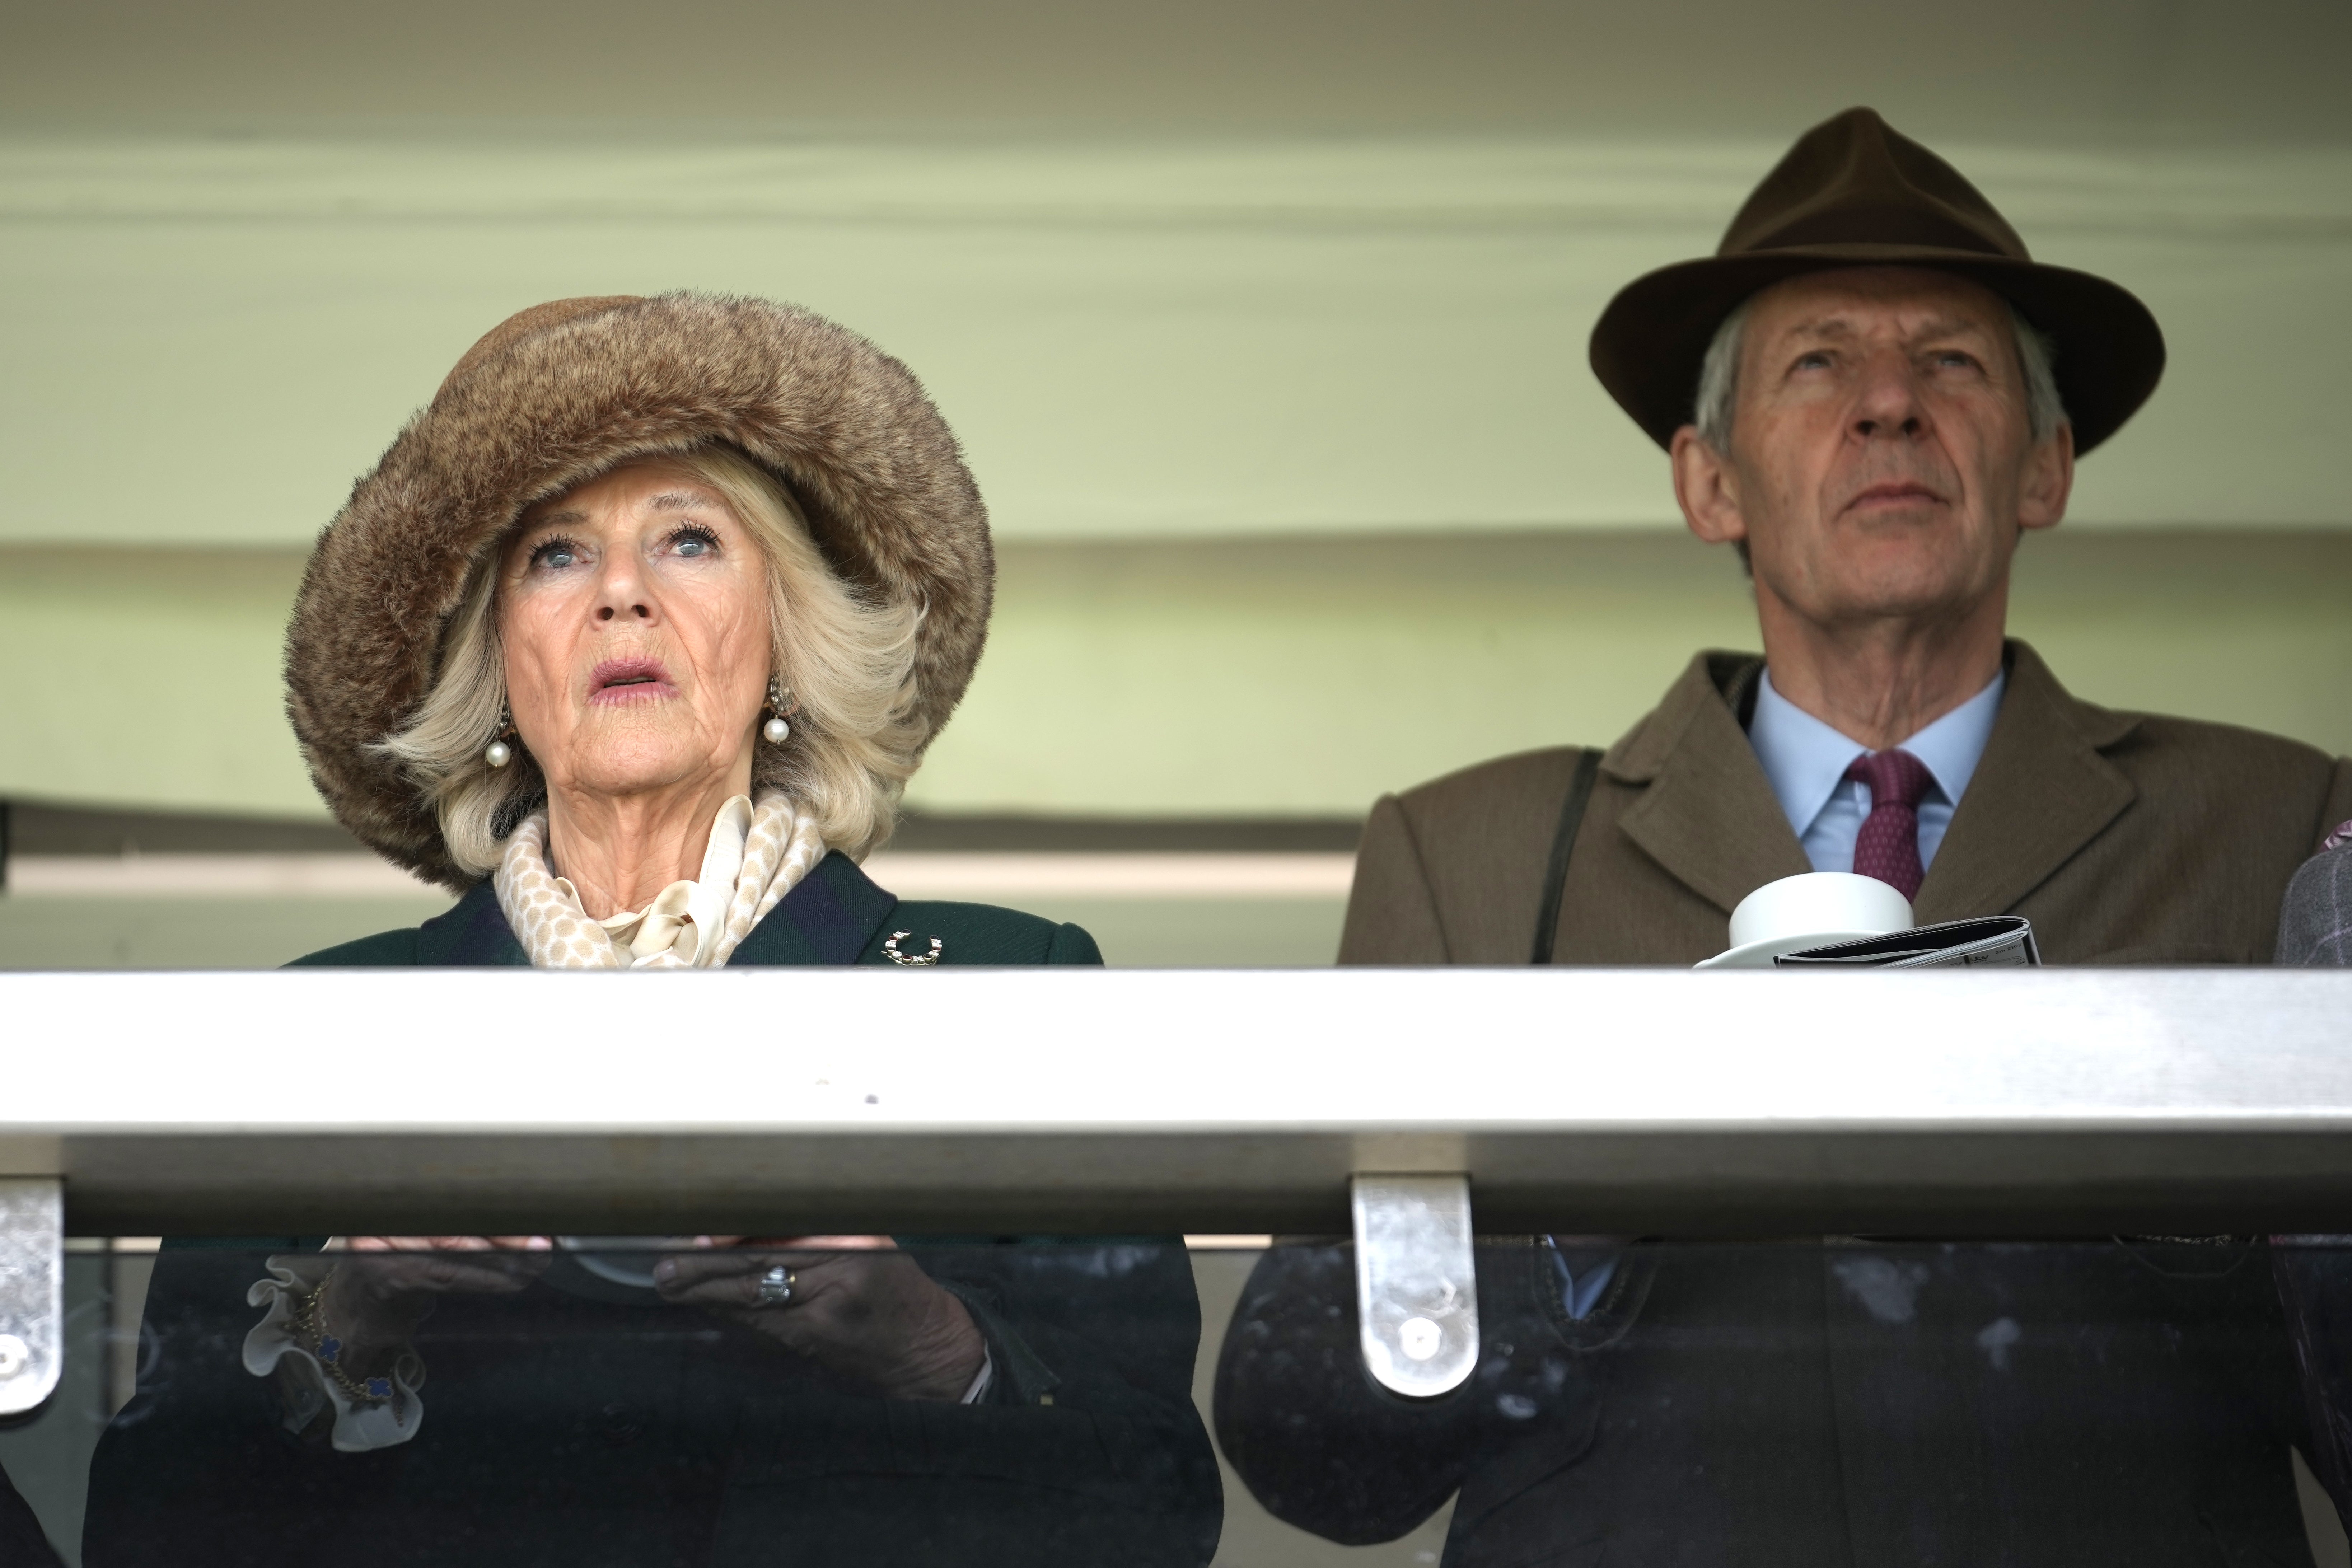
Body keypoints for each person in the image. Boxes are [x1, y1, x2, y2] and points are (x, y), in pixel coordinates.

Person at [1217, 111, 2352, 1564]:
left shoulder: (2277, 828)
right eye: (1818, 363)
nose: (1889, 406)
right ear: (1709, 483)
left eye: (1950, 360)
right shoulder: (1475, 852)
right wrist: (1596, 1182)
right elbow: (1320, 1449)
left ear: (2045, 466)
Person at [81, 294, 1220, 1565]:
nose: (620, 594)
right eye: (555, 555)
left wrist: (931, 1346)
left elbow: (1161, 1513)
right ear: (496, 657)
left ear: (785, 635)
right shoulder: (309, 1029)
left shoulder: (1020, 983)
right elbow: (139, 1532)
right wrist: (351, 1310)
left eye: (688, 540)